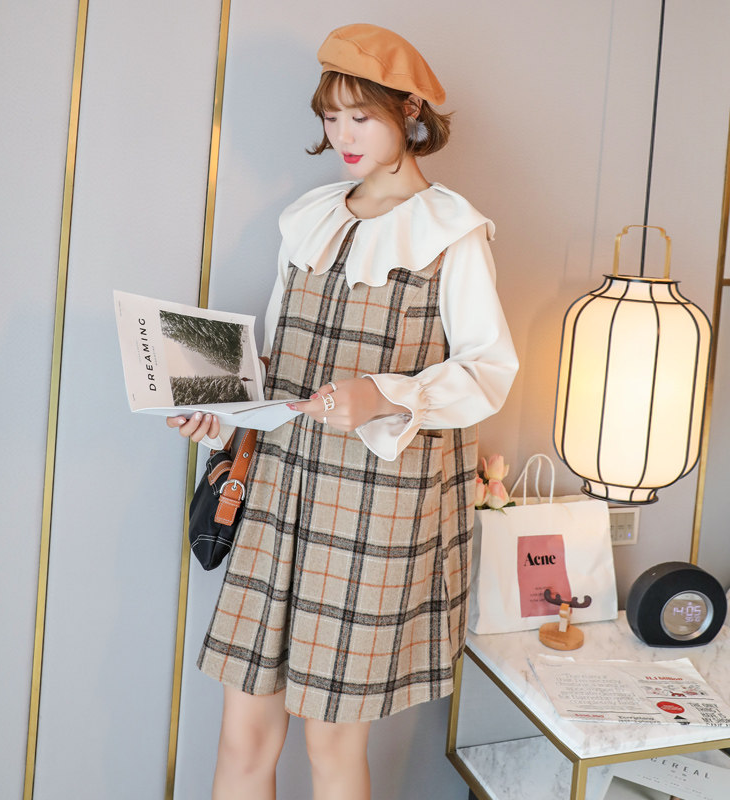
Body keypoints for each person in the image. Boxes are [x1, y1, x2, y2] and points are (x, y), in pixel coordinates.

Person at [167, 23, 518, 800]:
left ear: (410, 111)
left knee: (330, 744)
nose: (342, 135)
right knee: (243, 736)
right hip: (278, 489)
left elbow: (489, 372)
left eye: (361, 116)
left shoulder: (452, 232)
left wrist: (383, 394)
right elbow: (274, 366)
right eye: (331, 117)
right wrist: (216, 413)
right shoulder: (310, 218)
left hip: (374, 511)